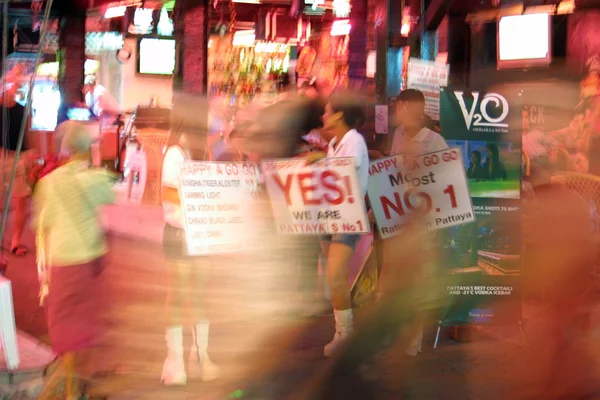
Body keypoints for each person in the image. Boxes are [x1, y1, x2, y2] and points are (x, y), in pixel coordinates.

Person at [33, 121, 116, 398]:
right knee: (88, 326)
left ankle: (70, 388)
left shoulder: (48, 183)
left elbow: (43, 226)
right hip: (90, 261)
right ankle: (83, 382)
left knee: (66, 328)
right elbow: (107, 197)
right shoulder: (96, 178)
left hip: (63, 262)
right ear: (87, 150)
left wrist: (43, 274)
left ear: (65, 150)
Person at [160, 93, 220, 386]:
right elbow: (169, 194)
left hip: (203, 235)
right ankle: (175, 359)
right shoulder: (174, 154)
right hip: (180, 233)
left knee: (200, 294)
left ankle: (201, 354)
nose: (210, 120)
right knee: (180, 294)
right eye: (205, 114)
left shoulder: (201, 152)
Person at [316, 93, 369, 357]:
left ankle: (345, 334)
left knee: (335, 275)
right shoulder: (334, 143)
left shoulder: (354, 141)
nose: (323, 116)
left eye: (326, 111)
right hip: (328, 216)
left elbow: (342, 172)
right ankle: (342, 330)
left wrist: (317, 162)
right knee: (333, 275)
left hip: (347, 218)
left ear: (338, 115)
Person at [0, 63, 31, 256]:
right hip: (2, 154)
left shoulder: (23, 109)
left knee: (20, 202)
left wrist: (33, 155)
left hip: (20, 156)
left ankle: (16, 241)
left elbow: (28, 135)